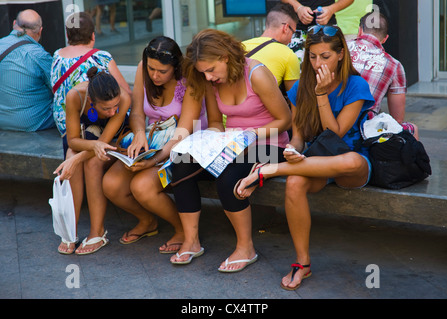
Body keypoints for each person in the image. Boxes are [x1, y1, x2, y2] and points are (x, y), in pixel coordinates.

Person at [235, 25, 375, 289]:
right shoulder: (300, 87)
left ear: (341, 54)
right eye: (312, 56)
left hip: (348, 163)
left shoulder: (356, 85)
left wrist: (321, 94)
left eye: (325, 56)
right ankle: (303, 262)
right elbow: (298, 137)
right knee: (295, 182)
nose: (317, 62)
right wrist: (293, 150)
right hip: (314, 160)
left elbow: (335, 136)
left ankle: (270, 170)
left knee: (353, 161)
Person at [169, 29, 291, 272]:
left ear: (225, 57)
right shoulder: (211, 81)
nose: (209, 77)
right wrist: (209, 140)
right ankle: (191, 241)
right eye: (204, 72)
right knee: (180, 162)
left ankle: (246, 247)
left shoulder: (256, 74)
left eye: (211, 70)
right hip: (233, 146)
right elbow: (215, 121)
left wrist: (252, 134)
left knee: (228, 180)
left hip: (269, 146)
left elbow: (285, 120)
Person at [102, 36, 207, 252]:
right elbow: (138, 113)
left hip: (183, 147)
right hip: (152, 141)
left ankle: (182, 229)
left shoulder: (189, 78)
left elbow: (183, 132)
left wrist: (153, 162)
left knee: (141, 186)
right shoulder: (144, 68)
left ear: (175, 68)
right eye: (151, 69)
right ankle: (147, 221)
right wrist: (140, 134)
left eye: (162, 71)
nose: (155, 75)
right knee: (111, 185)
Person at [53, 66, 131, 255]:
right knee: (73, 154)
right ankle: (71, 230)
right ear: (91, 100)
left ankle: (98, 232)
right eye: (106, 108)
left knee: (90, 162)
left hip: (113, 138)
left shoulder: (124, 98)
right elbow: (72, 139)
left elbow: (103, 143)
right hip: (84, 137)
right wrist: (76, 156)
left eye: (115, 106)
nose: (113, 111)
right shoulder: (75, 96)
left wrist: (75, 159)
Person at [51, 11, 131, 149]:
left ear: (67, 35)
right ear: (93, 35)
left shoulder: (57, 55)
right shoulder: (101, 56)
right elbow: (125, 91)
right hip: (91, 120)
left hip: (64, 123)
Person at [348, 12, 419, 139]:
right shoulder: (394, 65)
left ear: (359, 31)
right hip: (364, 128)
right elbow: (397, 119)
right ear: (385, 39)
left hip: (330, 117)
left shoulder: (341, 48)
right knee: (412, 129)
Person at [0, 9, 55, 132]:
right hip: (31, 122)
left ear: (14, 23)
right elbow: (58, 87)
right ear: (40, 31)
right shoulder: (39, 55)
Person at [242, 3, 300, 91]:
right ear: (286, 28)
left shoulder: (240, 46)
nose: (291, 41)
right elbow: (294, 99)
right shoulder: (288, 54)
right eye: (293, 33)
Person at [281, 0, 354, 64]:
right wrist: (298, 8)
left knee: (330, 69)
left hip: (327, 29)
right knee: (295, 71)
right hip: (298, 30)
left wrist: (331, 9)